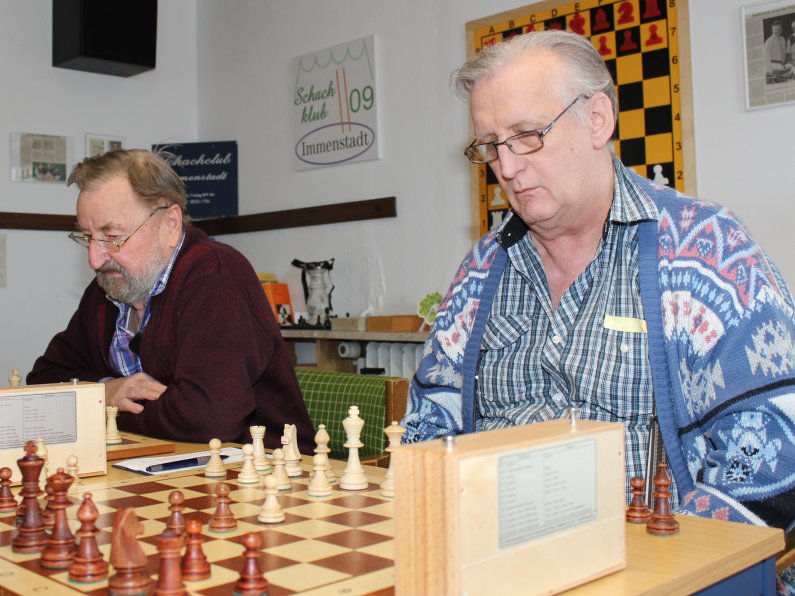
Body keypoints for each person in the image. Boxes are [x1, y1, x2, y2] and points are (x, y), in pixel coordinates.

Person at [400, 30, 795, 591]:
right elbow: (427, 430)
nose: (506, 167)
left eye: (527, 136)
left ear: (597, 120)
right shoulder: (480, 271)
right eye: (490, 145)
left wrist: (666, 565)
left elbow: (775, 452)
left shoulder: (705, 252)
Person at [28, 149, 315, 452]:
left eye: (112, 236)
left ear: (170, 224)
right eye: (87, 237)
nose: (94, 259)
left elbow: (210, 418)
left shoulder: (215, 277)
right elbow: (43, 383)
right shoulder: (108, 287)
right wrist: (104, 392)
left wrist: (106, 411)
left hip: (261, 467)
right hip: (159, 462)